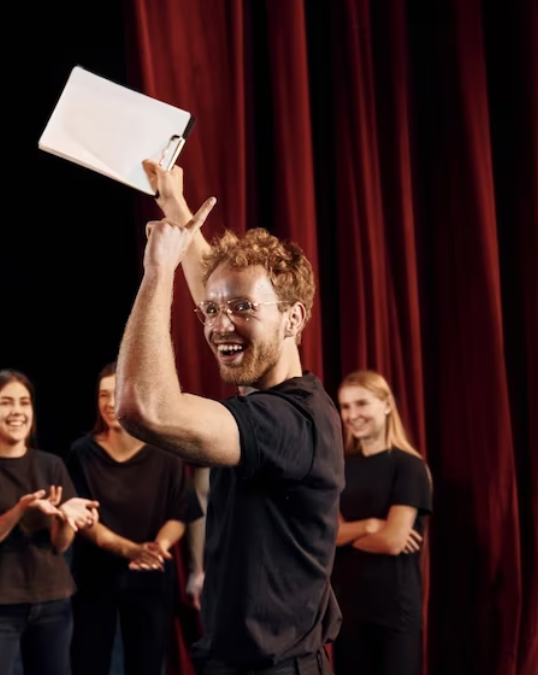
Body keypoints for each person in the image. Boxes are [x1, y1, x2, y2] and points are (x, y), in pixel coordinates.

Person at [113, 161, 343, 674]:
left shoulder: (288, 423)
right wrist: (174, 205)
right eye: (210, 312)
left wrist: (157, 273)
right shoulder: (286, 399)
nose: (220, 326)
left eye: (241, 307)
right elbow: (222, 297)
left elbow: (141, 407)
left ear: (294, 317)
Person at [0, 370, 100, 675]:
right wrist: (19, 511)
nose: (17, 410)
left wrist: (67, 518)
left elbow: (60, 544)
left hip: (53, 601)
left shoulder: (50, 464)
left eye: (24, 402)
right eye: (7, 402)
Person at [66, 361, 203, 675]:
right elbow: (85, 521)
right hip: (95, 576)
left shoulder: (165, 452)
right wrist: (130, 550)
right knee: (88, 662)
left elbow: (179, 512)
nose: (109, 402)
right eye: (102, 395)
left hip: (150, 576)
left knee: (146, 665)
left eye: (117, 392)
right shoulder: (82, 452)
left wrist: (158, 546)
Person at [331, 370, 432, 675]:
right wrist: (371, 525)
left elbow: (393, 542)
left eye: (362, 404)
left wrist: (349, 532)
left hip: (394, 612)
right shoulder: (339, 467)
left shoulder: (409, 467)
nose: (352, 415)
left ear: (387, 405)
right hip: (347, 609)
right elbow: (327, 534)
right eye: (346, 407)